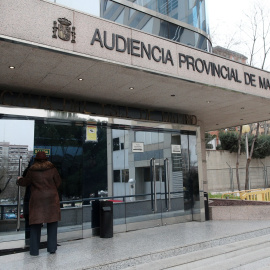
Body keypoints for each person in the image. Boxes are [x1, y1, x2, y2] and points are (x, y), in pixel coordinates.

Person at [17, 151, 62, 256]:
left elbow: (25, 182)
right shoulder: (52, 169)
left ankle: (34, 250)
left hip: (37, 200)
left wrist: (19, 180)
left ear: (35, 160)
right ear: (46, 159)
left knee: (35, 225)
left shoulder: (32, 170)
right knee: (52, 223)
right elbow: (58, 182)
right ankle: (51, 248)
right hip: (52, 199)